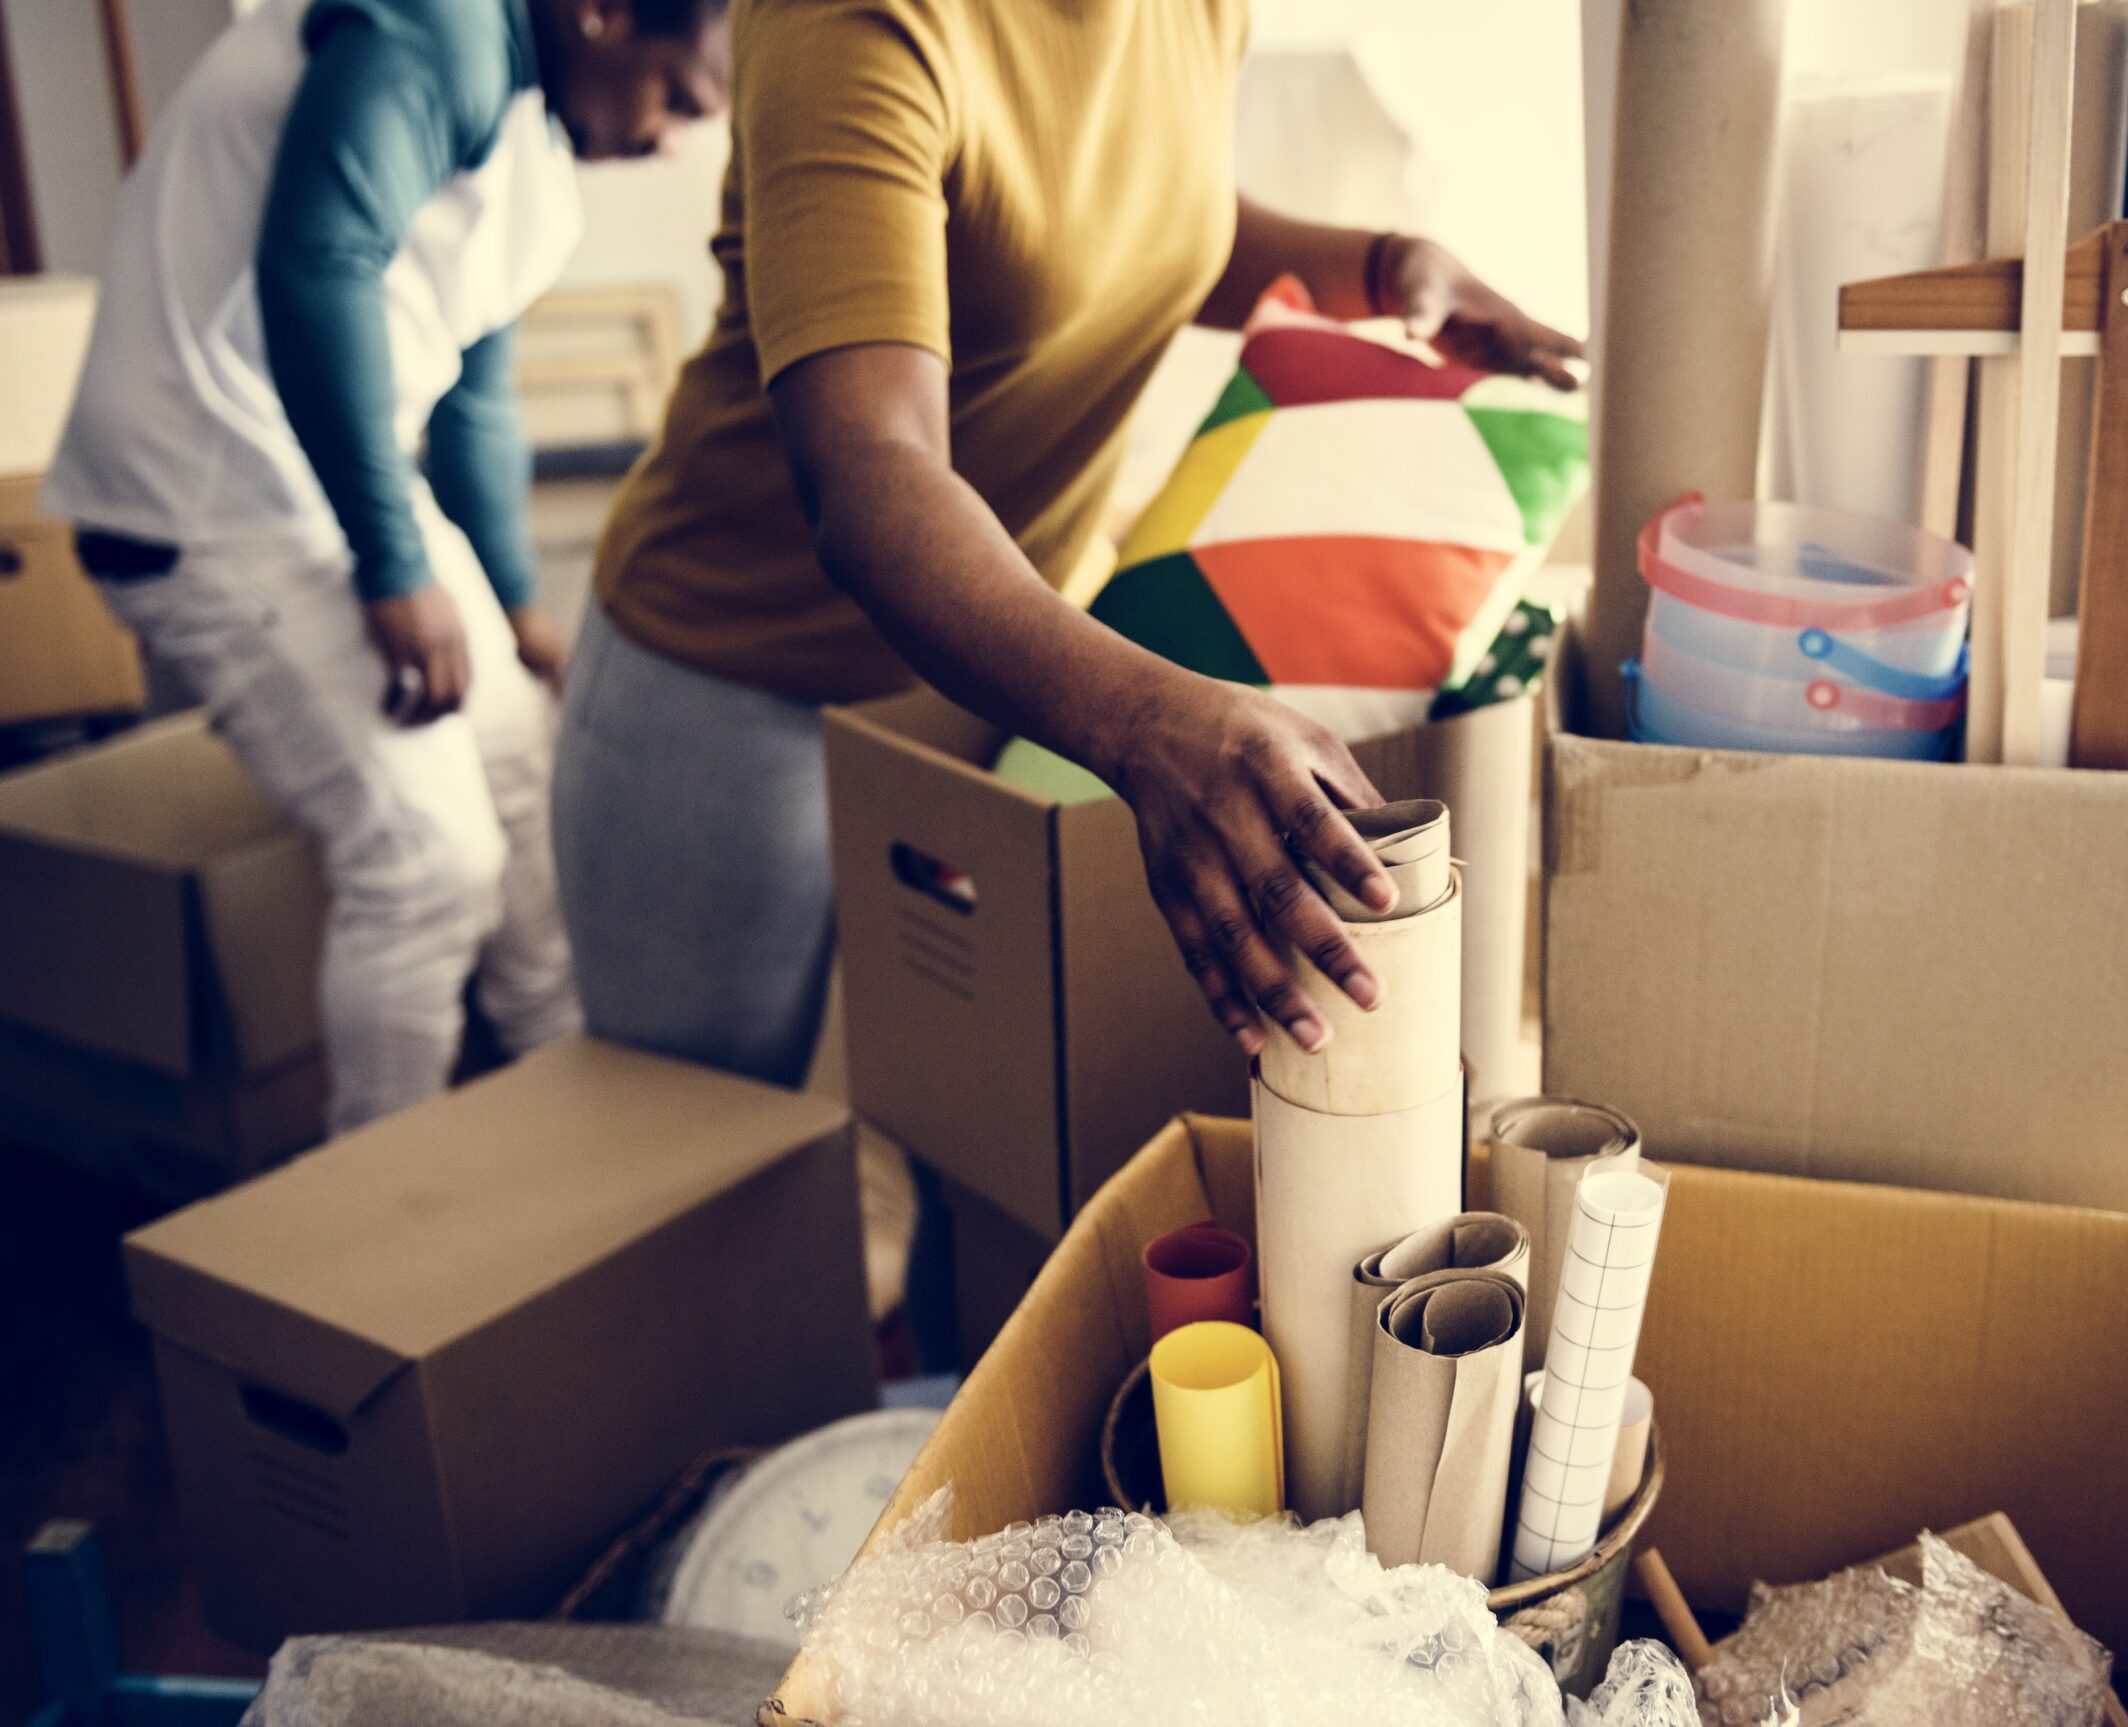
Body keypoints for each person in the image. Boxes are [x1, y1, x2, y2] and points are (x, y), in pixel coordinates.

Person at [552, 0, 1580, 1088]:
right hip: (734, 676)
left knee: (956, 1111)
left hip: (990, 664)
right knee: (711, 1152)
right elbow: (871, 469)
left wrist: (1383, 266)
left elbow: (1141, 224)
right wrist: (1148, 721)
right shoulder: (849, 21)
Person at [43, 0, 731, 1134]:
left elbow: (474, 401)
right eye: (676, 98)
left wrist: (513, 602)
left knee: (520, 767)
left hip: (305, 486)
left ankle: (577, 1135)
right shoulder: (444, 26)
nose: (672, 139)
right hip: (200, 491)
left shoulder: (539, 156)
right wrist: (394, 564)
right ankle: (381, 1229)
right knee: (428, 860)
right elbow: (320, 262)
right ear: (602, 17)